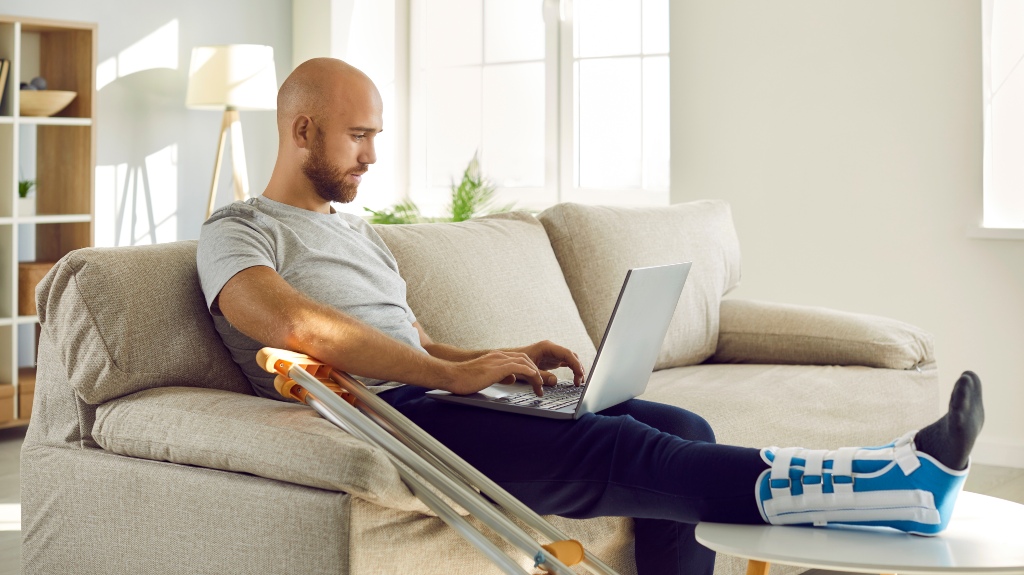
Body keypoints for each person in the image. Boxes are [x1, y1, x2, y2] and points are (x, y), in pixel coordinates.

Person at [197, 58, 985, 575]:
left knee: (686, 427)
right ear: (302, 131)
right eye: (358, 135)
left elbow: (412, 339)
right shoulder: (238, 230)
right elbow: (288, 321)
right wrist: (447, 375)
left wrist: (494, 357)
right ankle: (894, 482)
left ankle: (894, 477)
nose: (371, 155)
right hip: (396, 415)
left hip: (434, 393)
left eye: (375, 136)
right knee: (625, 449)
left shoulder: (354, 231)